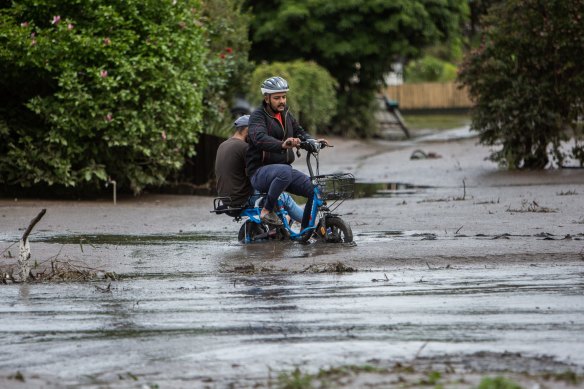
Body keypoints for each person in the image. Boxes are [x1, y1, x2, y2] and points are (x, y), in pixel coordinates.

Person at [246, 76, 327, 229]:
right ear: (267, 98)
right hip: (259, 173)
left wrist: (313, 142)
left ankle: (306, 230)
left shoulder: (286, 114)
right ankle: (266, 210)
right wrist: (282, 144)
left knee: (315, 190)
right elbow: (259, 138)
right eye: (277, 98)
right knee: (284, 171)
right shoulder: (257, 116)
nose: (282, 101)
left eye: (283, 97)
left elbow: (299, 132)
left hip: (283, 172)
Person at [214, 114, 304, 223]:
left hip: (225, 199)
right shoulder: (245, 148)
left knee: (271, 191)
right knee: (284, 197)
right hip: (243, 199)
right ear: (248, 130)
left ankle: (281, 223)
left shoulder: (222, 145)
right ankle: (311, 225)